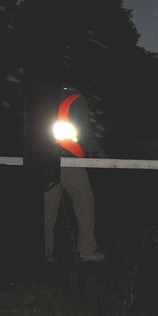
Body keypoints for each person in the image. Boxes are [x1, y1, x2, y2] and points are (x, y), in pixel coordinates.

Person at [45, 84, 107, 263]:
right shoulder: (75, 99)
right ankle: (86, 250)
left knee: (47, 209)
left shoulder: (44, 99)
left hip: (46, 160)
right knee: (85, 202)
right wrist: (96, 150)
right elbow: (83, 131)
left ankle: (44, 254)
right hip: (69, 159)